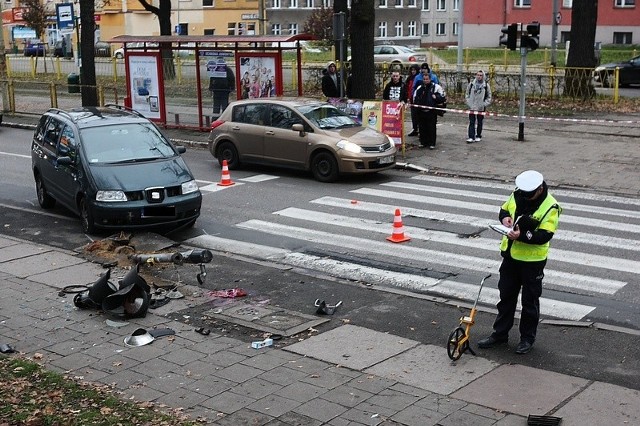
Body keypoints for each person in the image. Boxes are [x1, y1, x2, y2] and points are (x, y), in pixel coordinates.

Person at [478, 170, 562, 355]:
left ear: (540, 189)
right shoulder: (518, 193)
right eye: (523, 193)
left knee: (529, 302)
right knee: (506, 297)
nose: (526, 197)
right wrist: (504, 218)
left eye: (529, 194)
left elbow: (544, 235)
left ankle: (527, 339)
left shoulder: (551, 206)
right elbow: (505, 209)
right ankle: (500, 334)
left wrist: (521, 236)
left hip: (532, 262)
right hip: (510, 257)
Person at [412, 72, 446, 149]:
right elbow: (415, 98)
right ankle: (423, 142)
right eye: (424, 79)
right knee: (422, 128)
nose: (425, 80)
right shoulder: (419, 88)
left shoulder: (436, 87)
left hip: (431, 112)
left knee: (431, 128)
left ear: (430, 79)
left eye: (427, 79)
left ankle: (432, 143)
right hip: (421, 111)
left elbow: (442, 97)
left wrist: (436, 97)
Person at [465, 70, 492, 143]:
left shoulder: (486, 86)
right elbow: (467, 94)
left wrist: (484, 104)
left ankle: (478, 135)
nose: (479, 77)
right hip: (472, 107)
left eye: (481, 75)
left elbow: (489, 97)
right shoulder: (471, 84)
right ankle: (471, 136)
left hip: (481, 107)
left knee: (480, 122)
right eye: (478, 75)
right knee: (471, 122)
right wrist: (469, 102)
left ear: (483, 76)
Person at [403, 64, 421, 136]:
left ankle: (420, 129)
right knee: (413, 115)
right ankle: (415, 129)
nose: (413, 71)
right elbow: (407, 88)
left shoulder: (419, 78)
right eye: (412, 70)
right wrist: (407, 97)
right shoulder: (409, 78)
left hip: (417, 99)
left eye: (414, 70)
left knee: (418, 115)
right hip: (411, 99)